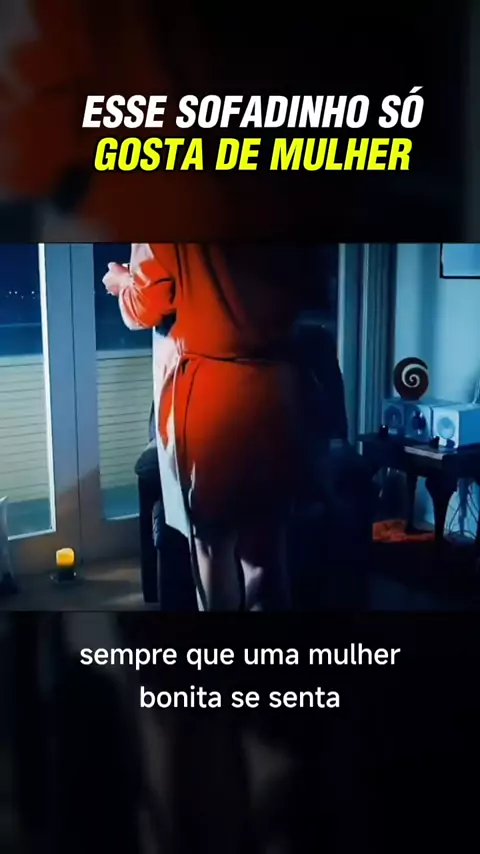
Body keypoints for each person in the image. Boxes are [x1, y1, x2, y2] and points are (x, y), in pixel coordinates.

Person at [104, 244, 312, 611]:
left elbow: (148, 304)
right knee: (265, 551)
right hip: (278, 386)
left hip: (210, 390)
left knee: (213, 544)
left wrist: (123, 283)